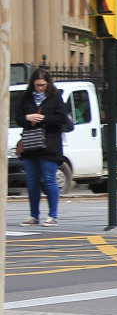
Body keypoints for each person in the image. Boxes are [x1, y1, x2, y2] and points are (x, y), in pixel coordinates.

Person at [16, 67, 71, 226]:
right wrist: (28, 118)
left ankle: (53, 216)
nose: (40, 88)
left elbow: (62, 119)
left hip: (49, 145)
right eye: (37, 85)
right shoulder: (26, 98)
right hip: (30, 145)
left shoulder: (55, 97)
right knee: (32, 181)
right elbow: (18, 117)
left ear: (48, 83)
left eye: (43, 85)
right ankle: (34, 216)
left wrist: (43, 118)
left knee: (49, 179)